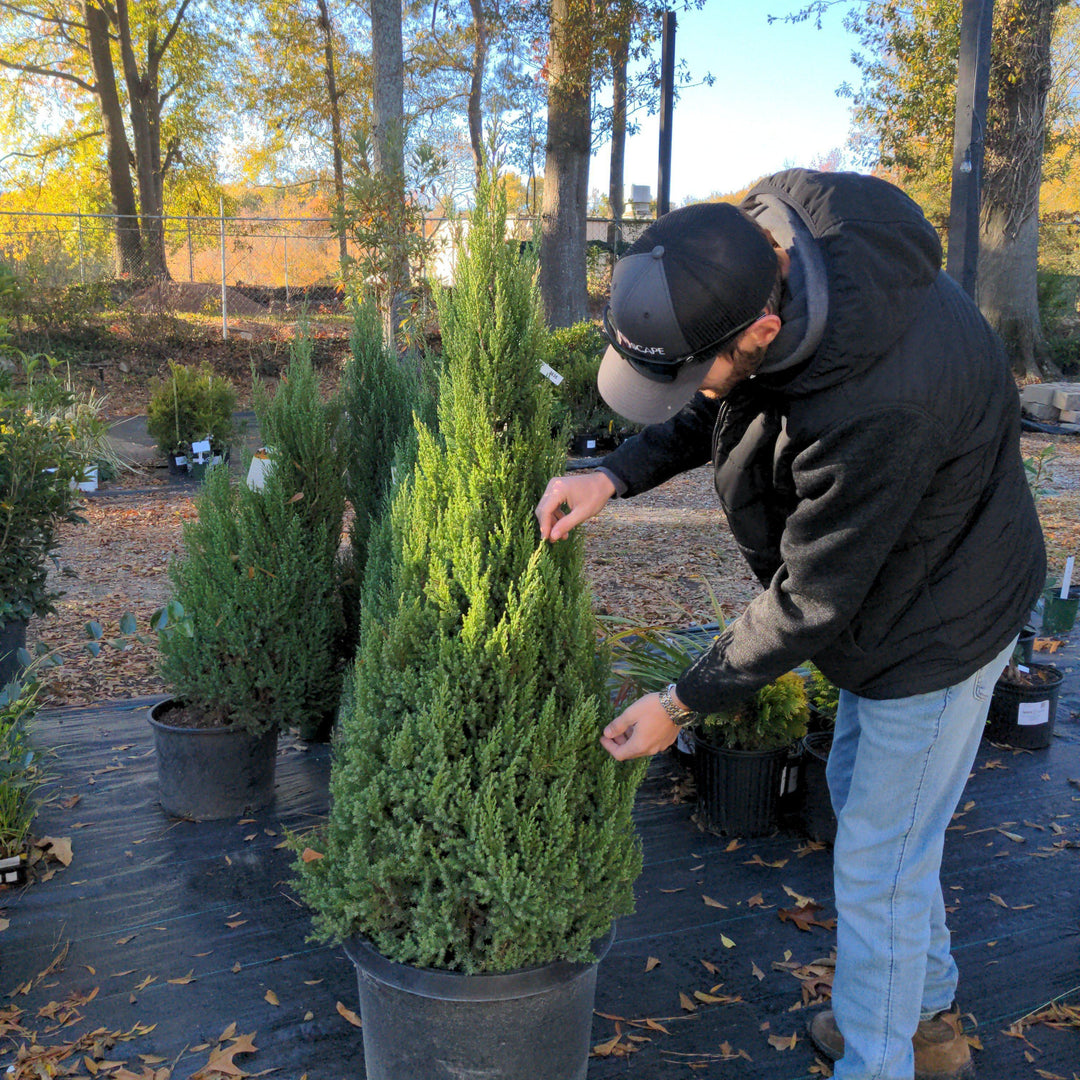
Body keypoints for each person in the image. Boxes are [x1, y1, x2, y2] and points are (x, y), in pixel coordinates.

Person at [535, 169, 1045, 1080]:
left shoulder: (877, 402)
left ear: (764, 332)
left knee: (880, 871)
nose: (692, 389)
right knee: (873, 817)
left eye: (699, 368)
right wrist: (613, 473)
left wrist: (680, 703)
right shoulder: (765, 242)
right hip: (892, 593)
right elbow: (715, 400)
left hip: (938, 624)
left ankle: (880, 1060)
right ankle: (926, 1025)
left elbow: (811, 599)